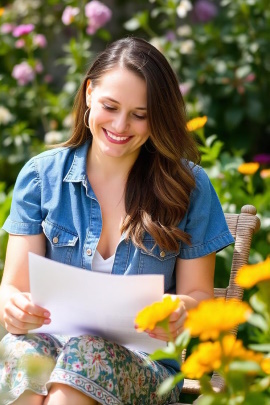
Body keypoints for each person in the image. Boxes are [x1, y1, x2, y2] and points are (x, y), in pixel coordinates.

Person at [0, 36, 234, 405]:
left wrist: (180, 310)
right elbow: (12, 289)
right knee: (22, 353)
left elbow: (200, 298)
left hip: (144, 368)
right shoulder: (41, 176)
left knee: (84, 355)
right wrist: (12, 307)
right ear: (89, 93)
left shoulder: (188, 187)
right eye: (110, 106)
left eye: (140, 115)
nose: (121, 126)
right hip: (52, 344)